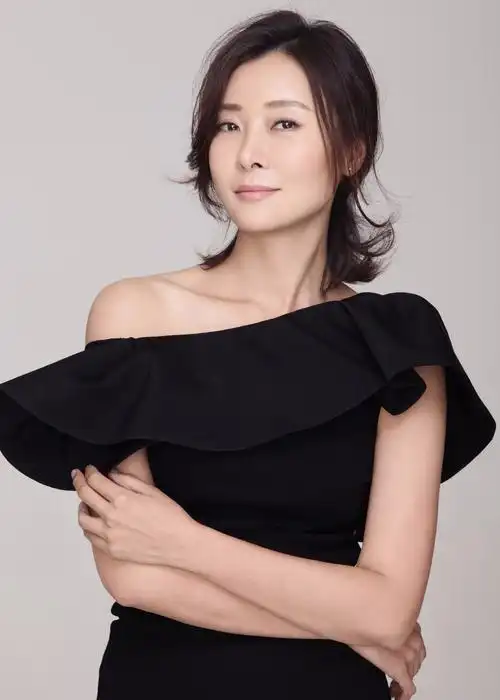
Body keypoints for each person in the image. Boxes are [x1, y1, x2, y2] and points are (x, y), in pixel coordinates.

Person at [0, 9, 496, 700]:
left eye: (284, 123)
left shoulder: (397, 342)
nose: (247, 154)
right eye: (228, 125)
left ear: (352, 150)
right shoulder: (136, 314)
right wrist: (349, 626)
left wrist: (184, 542)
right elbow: (132, 576)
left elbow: (390, 608)